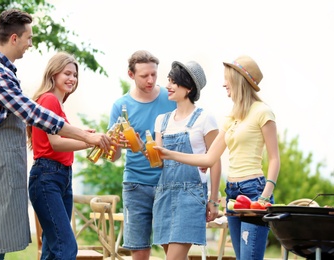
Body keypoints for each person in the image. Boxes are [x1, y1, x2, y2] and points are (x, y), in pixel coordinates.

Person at [0, 9, 112, 259]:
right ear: (14, 38)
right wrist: (86, 138)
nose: (30, 44)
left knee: (1, 241)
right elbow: (33, 114)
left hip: (2, 159)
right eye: (29, 38)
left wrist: (84, 135)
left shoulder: (2, 68)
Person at [154, 55, 280, 260]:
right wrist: (168, 153)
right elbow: (209, 158)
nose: (224, 84)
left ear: (239, 80)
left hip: (255, 191)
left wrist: (265, 195)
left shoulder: (262, 112)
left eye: (227, 79)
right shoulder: (231, 117)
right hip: (233, 193)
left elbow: (274, 158)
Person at [108, 50, 176, 260]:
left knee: (171, 246)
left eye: (154, 74)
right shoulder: (121, 106)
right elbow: (113, 157)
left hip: (168, 182)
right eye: (144, 75)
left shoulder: (170, 97)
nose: (150, 80)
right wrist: (118, 145)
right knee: (139, 249)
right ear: (131, 74)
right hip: (135, 184)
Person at [152, 61, 222, 260]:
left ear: (189, 88)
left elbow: (215, 160)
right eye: (169, 80)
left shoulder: (205, 119)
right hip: (164, 194)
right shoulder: (161, 120)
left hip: (190, 196)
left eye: (174, 82)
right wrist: (139, 146)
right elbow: (158, 161)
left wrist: (214, 200)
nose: (168, 85)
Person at [26, 51, 91, 259]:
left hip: (61, 178)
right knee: (66, 247)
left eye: (75, 75)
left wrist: (87, 138)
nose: (72, 78)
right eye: (67, 73)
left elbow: (59, 140)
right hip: (48, 177)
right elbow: (56, 143)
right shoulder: (49, 100)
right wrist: (89, 141)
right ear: (53, 74)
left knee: (52, 249)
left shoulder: (57, 104)